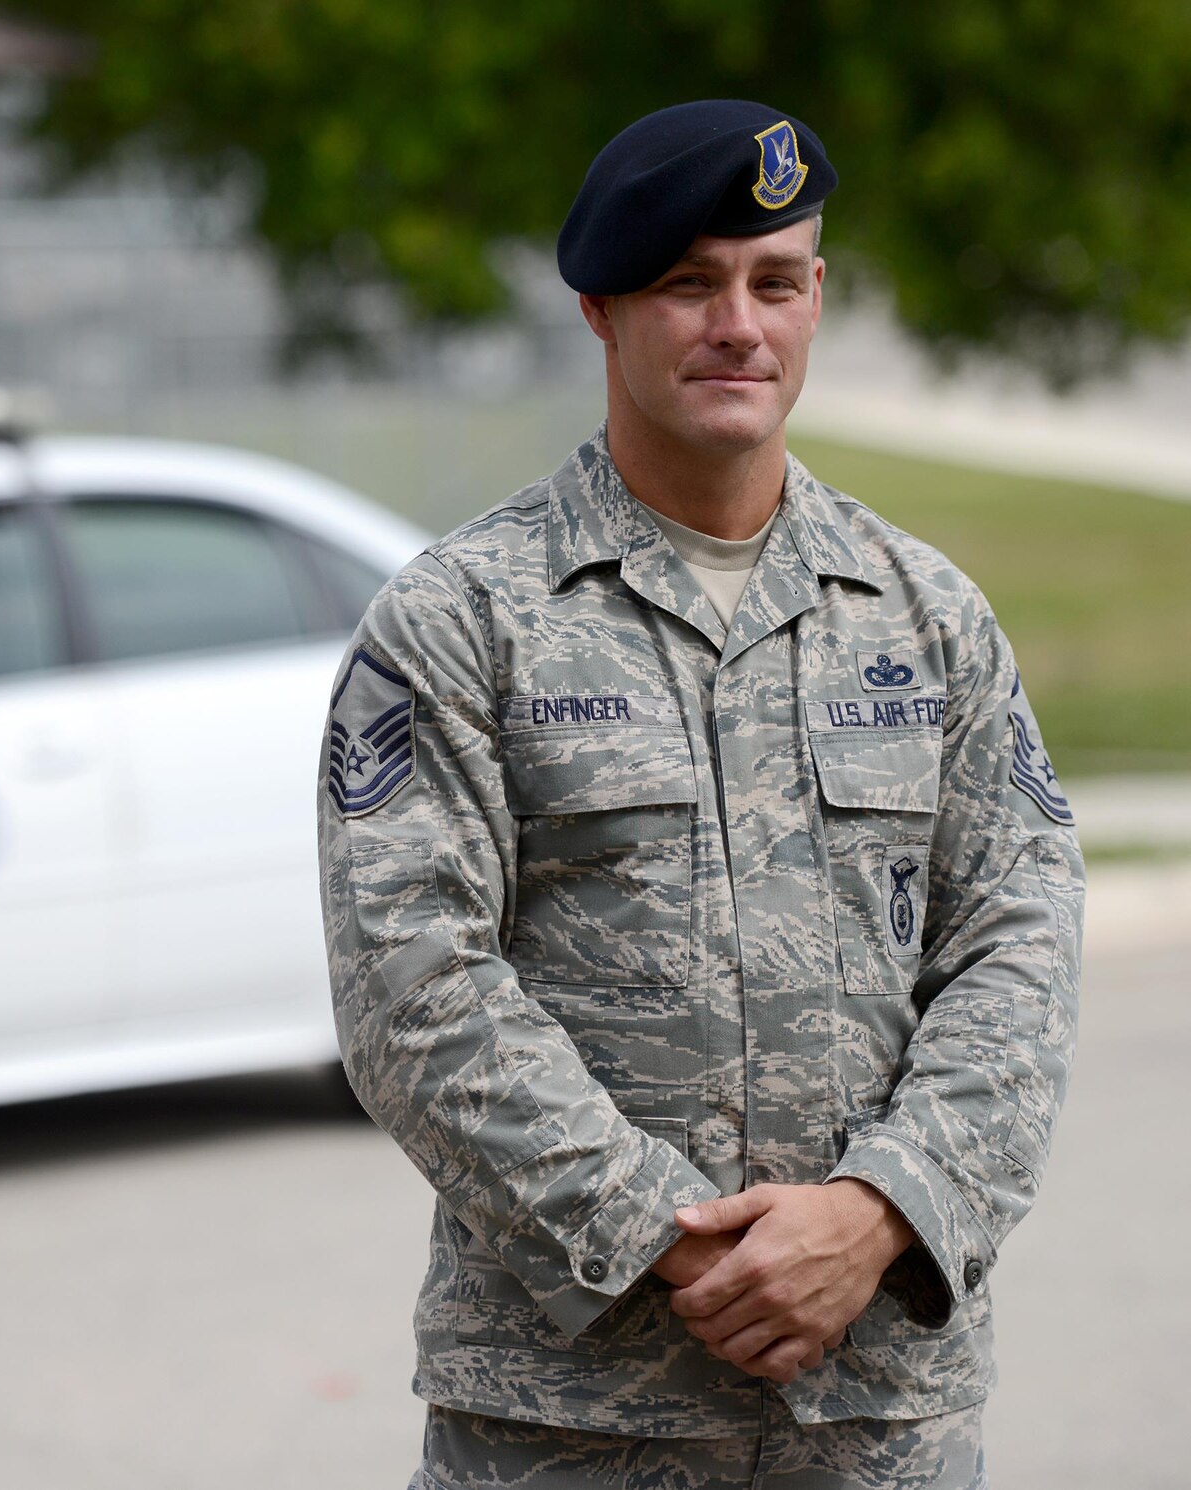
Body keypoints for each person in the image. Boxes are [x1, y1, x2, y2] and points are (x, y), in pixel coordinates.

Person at [315, 99, 1084, 1489]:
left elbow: (1019, 946)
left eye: (773, 282)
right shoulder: (463, 621)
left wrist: (877, 1211)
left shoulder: (926, 616)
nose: (740, 323)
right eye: (690, 282)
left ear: (816, 301)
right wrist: (679, 1236)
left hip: (878, 1418)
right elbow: (412, 989)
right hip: (570, 1422)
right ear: (604, 311)